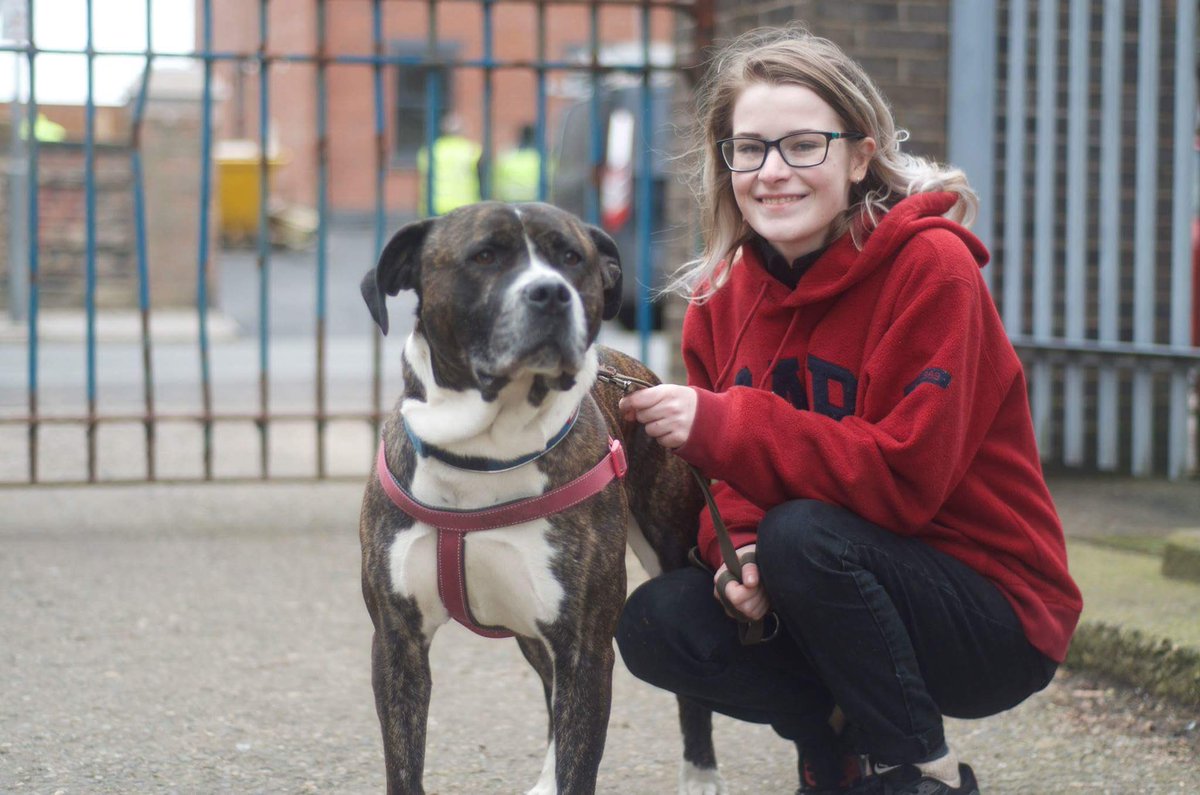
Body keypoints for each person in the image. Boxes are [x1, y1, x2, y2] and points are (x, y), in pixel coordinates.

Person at [614, 25, 1081, 795]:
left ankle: (912, 768)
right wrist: (742, 554)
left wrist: (726, 426)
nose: (773, 173)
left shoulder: (932, 270)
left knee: (804, 535)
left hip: (991, 608)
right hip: (825, 579)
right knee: (658, 624)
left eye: (804, 146)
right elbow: (727, 488)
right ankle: (830, 747)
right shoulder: (719, 301)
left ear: (860, 155)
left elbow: (906, 477)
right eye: (749, 149)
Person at [417, 112, 482, 216]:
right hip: (464, 206)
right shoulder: (471, 149)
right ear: (462, 131)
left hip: (435, 204)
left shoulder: (429, 150)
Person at [493, 123, 542, 202]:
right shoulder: (540, 158)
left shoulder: (507, 156)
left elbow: (496, 180)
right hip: (534, 200)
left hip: (510, 200)